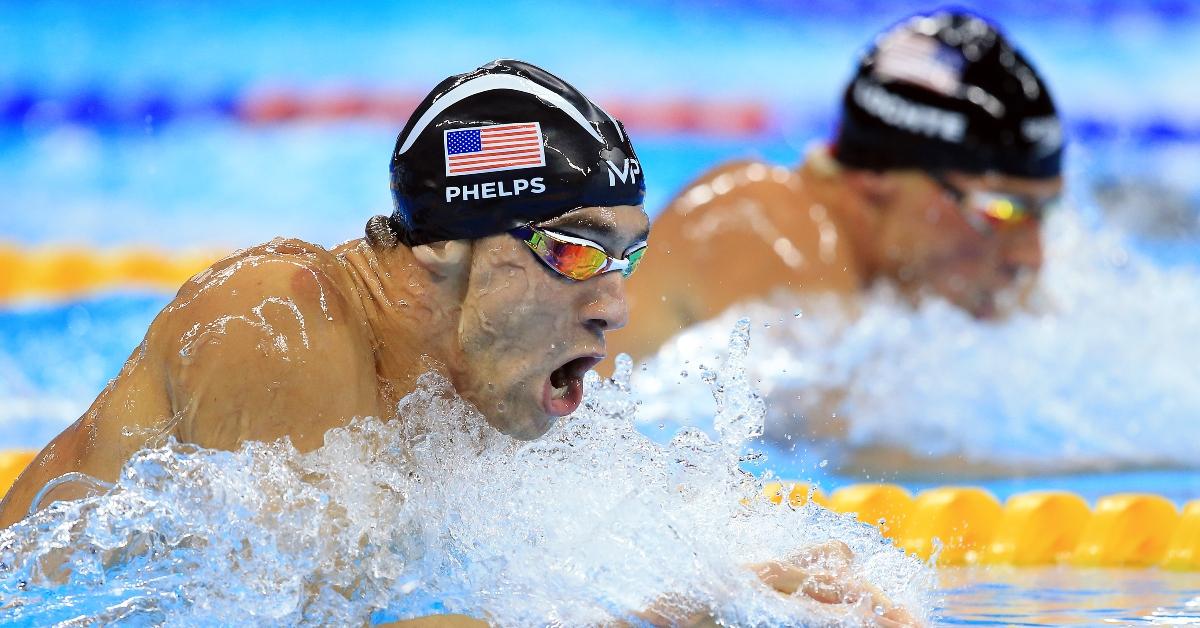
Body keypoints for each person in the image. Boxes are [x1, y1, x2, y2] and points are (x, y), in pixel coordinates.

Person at [0, 60, 914, 626]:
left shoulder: (474, 392)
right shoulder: (278, 320)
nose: (615, 307)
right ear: (445, 246)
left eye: (627, 255)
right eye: (572, 247)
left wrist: (744, 587)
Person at [611, 10, 1066, 362]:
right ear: (879, 173)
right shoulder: (763, 222)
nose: (1029, 256)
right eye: (1000, 209)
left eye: (1043, 212)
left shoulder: (890, 274)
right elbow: (863, 449)